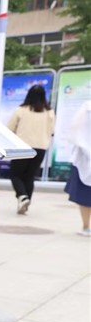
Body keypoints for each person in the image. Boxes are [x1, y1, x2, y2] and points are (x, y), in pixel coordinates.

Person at [7, 85, 55, 214]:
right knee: (29, 176)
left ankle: (22, 197)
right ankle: (25, 202)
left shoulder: (21, 110)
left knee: (15, 175)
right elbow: (51, 131)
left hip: (21, 146)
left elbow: (10, 128)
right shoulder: (49, 112)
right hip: (40, 148)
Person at [63, 100, 91, 236]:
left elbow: (75, 131)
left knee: (85, 194)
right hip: (84, 158)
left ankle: (86, 227)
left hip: (84, 158)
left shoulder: (87, 107)